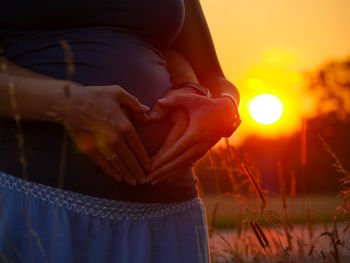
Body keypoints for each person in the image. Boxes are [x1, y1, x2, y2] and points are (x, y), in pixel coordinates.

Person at [0, 0, 240, 262]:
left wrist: (224, 108)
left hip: (169, 221)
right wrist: (65, 103)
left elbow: (214, 79)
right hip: (36, 208)